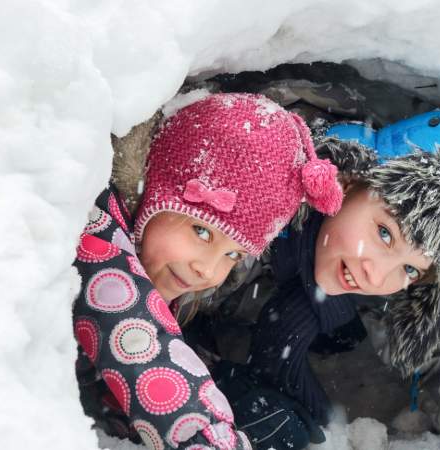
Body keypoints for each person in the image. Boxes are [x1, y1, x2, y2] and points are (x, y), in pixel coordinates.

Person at [203, 108, 440, 450]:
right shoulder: (252, 229)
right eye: (385, 234)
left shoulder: (373, 286)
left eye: (411, 270)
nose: (378, 273)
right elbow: (158, 315)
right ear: (349, 180)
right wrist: (213, 388)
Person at [71, 93, 343, 449]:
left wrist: (219, 381)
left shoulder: (161, 261)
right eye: (201, 231)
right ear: (155, 192)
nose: (207, 269)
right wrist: (209, 438)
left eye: (233, 253)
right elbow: (134, 337)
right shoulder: (94, 227)